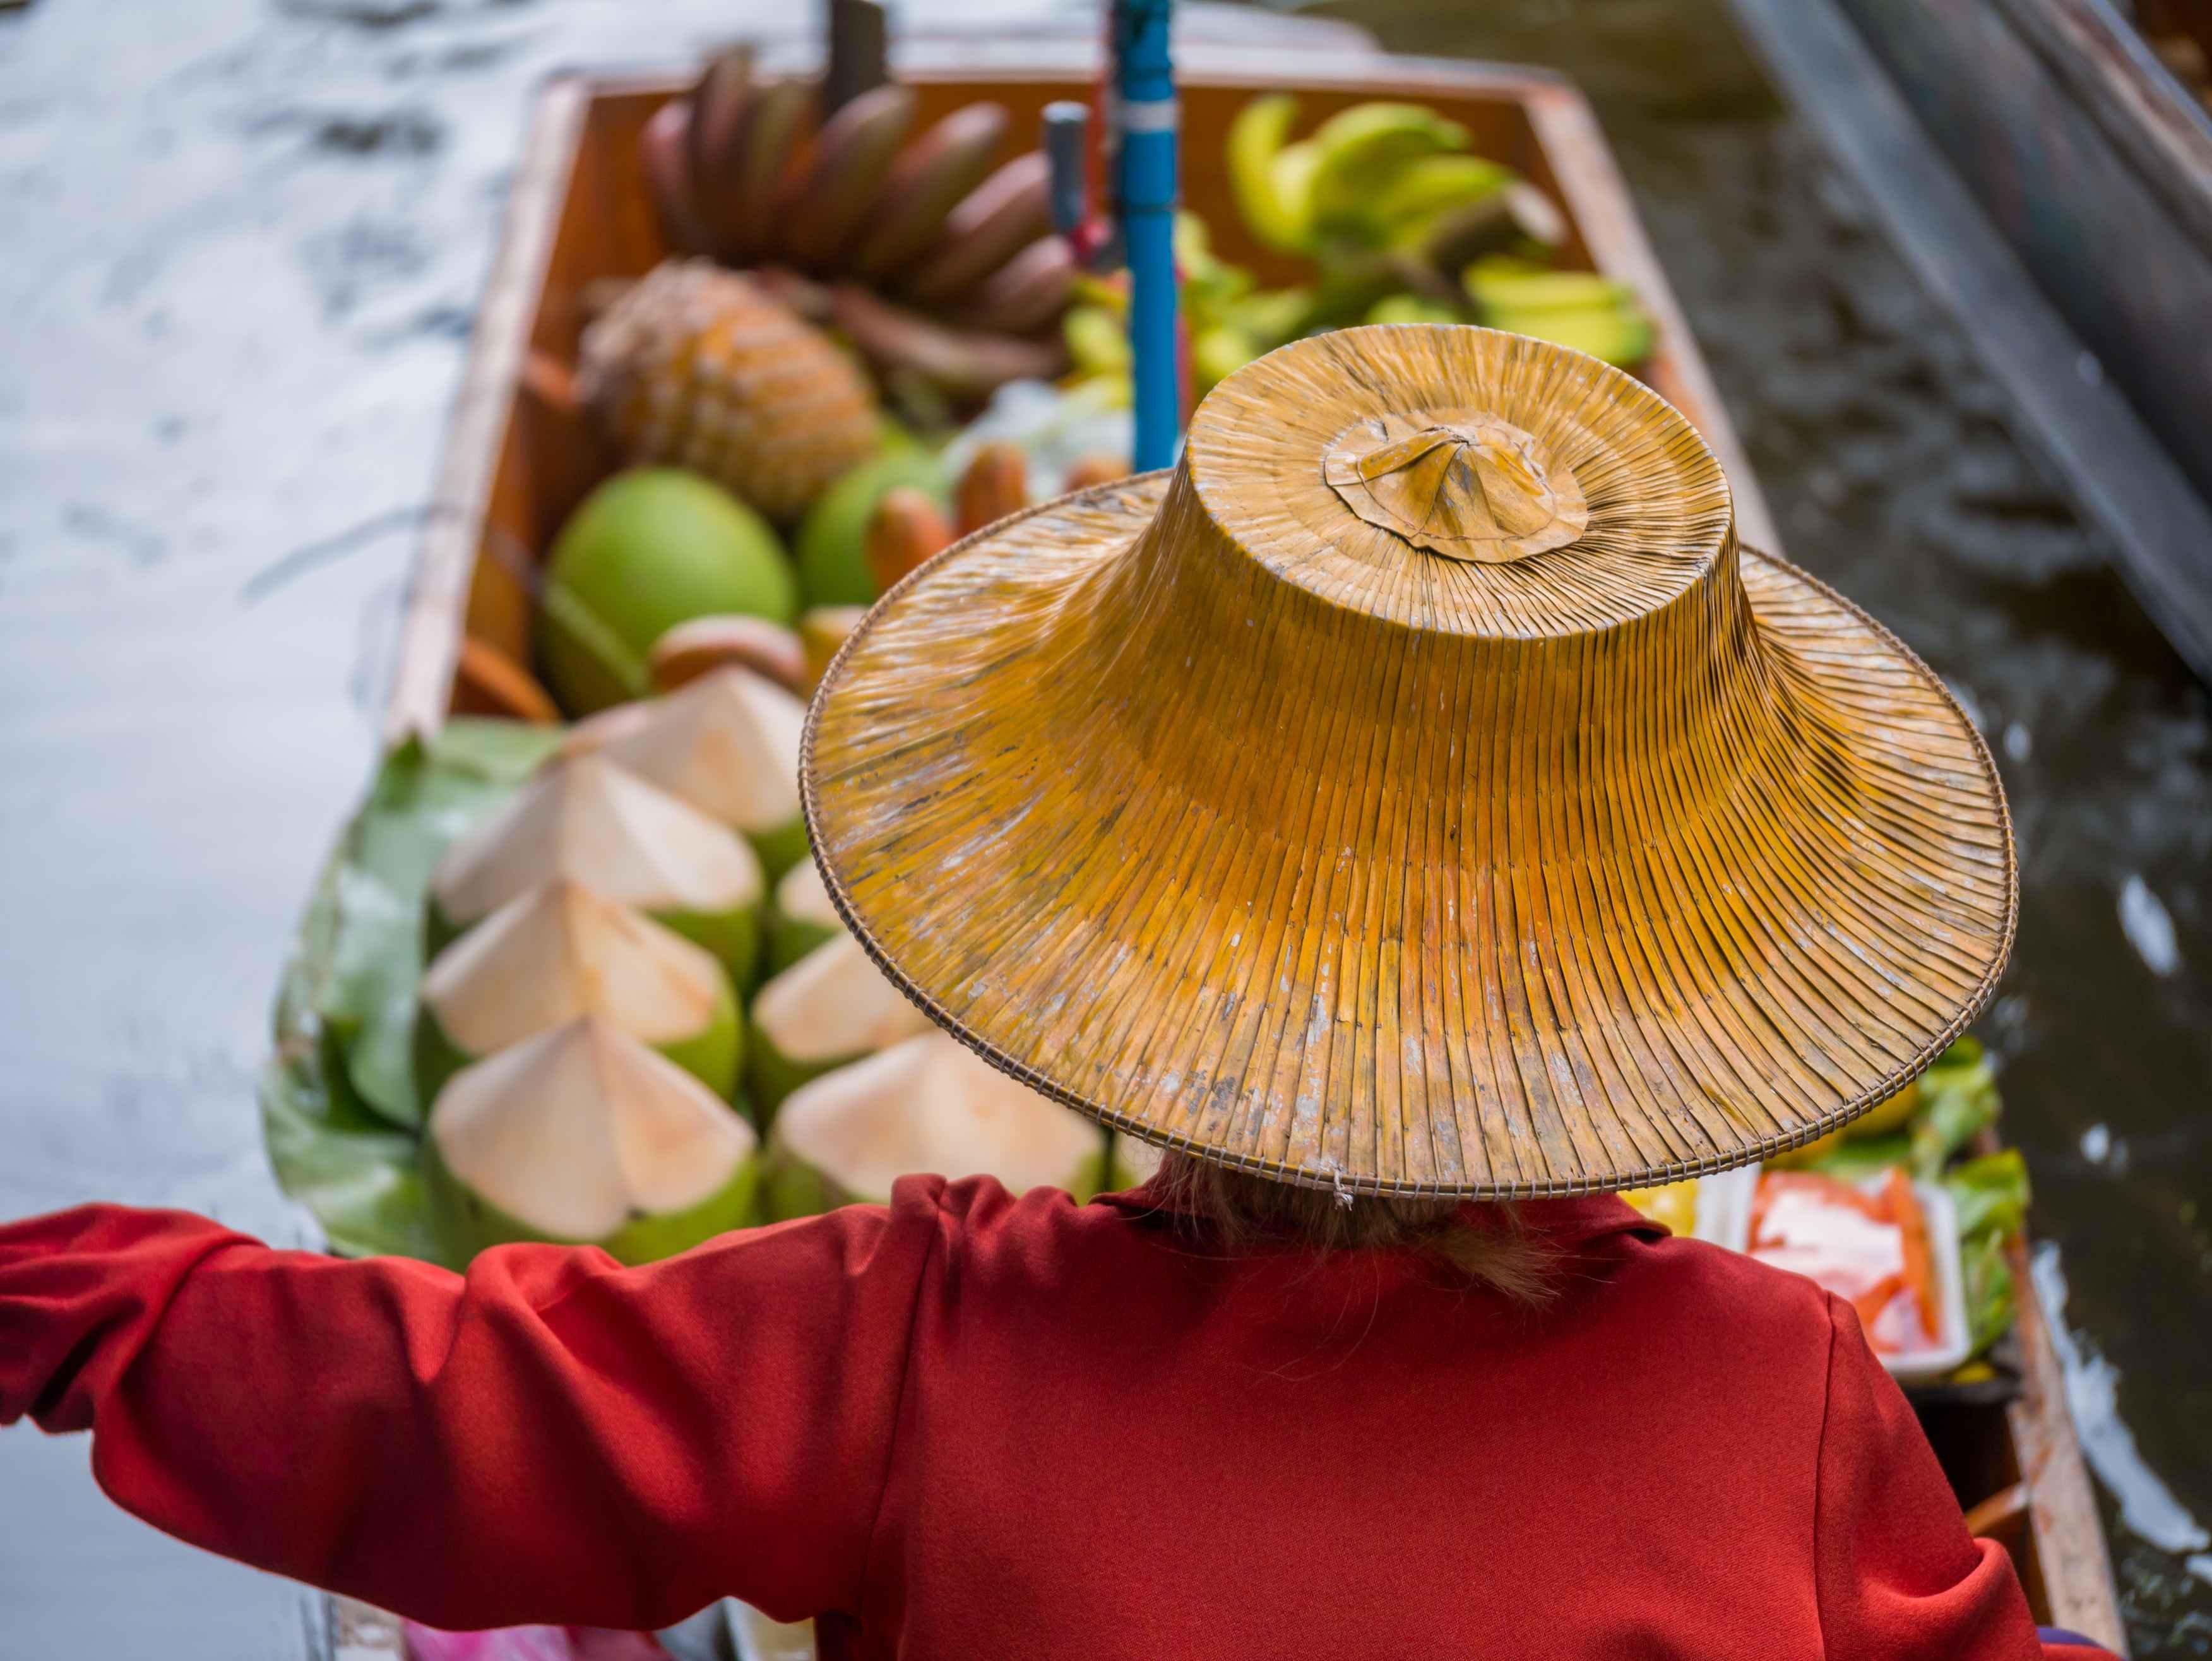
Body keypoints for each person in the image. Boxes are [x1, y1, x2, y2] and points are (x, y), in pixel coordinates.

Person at [1, 328, 2111, 1658]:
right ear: (1642, 1002)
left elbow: (426, 1403)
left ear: (1130, 952)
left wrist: (69, 1300)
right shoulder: (1776, 1389)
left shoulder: (921, 1346)